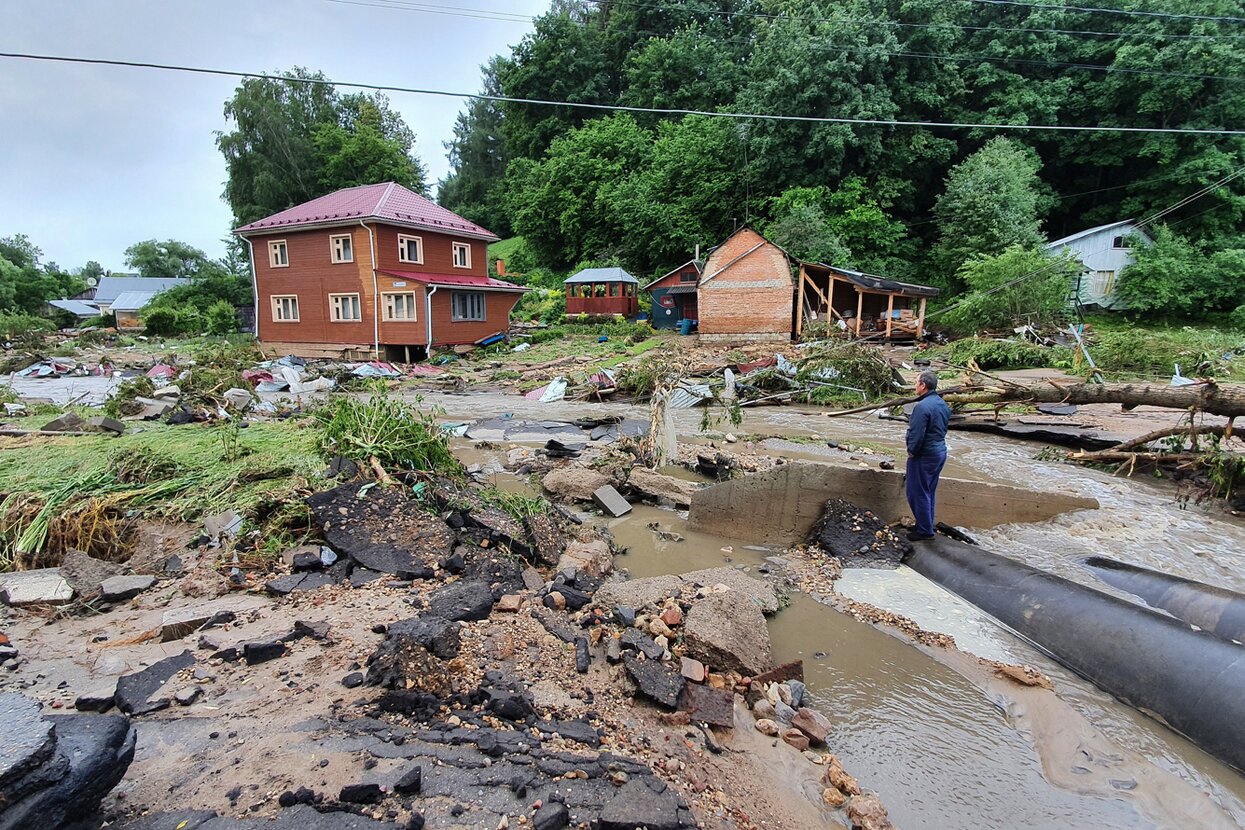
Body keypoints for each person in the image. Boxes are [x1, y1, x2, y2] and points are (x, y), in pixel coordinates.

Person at [905, 369, 951, 542]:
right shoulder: (942, 404)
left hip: (924, 455)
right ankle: (926, 524)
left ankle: (924, 530)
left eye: (916, 383)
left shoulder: (922, 407)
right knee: (928, 491)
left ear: (923, 385)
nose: (915, 386)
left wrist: (911, 451)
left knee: (916, 492)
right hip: (939, 452)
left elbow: (917, 433)